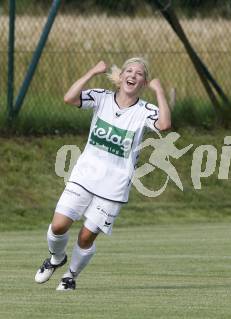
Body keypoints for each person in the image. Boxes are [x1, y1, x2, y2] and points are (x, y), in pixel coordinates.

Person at [34, 57, 171, 290]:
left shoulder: (144, 111)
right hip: (84, 176)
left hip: (113, 186)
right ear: (120, 78)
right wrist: (92, 72)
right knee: (58, 226)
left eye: (139, 74)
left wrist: (159, 91)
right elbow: (69, 98)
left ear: (143, 82)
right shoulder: (101, 97)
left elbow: (165, 125)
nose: (133, 75)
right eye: (129, 70)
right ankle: (56, 259)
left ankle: (70, 276)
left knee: (86, 237)